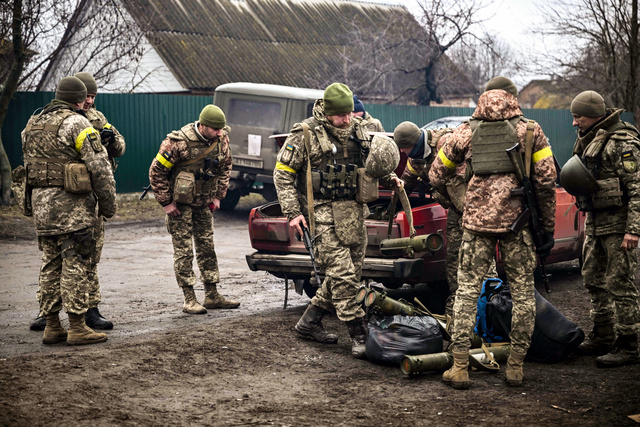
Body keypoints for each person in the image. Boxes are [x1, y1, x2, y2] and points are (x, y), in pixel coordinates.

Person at [429, 76, 557, 388]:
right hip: (519, 225)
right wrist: (547, 227)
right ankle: (515, 366)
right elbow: (546, 182)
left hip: (474, 226)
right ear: (514, 99)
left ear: (484, 98)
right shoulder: (530, 130)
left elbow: (436, 174)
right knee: (525, 294)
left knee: (466, 292)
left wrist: (462, 195)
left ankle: (459, 367)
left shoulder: (465, 131)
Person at [274, 83, 402, 358]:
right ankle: (359, 334)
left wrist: (390, 178)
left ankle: (308, 322)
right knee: (343, 276)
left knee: (348, 274)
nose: (348, 119)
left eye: (350, 114)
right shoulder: (304, 133)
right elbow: (282, 174)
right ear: (327, 112)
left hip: (354, 213)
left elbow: (371, 163)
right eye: (342, 115)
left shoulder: (357, 129)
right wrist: (293, 214)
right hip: (320, 214)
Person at [21, 76, 117, 345]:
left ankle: (52, 326)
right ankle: (77, 327)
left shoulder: (33, 122)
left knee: (50, 264)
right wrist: (108, 204)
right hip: (72, 209)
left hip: (42, 209)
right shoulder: (77, 123)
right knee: (76, 262)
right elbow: (99, 167)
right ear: (78, 98)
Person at [562, 90, 640, 368]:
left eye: (577, 116)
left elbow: (637, 188)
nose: (574, 123)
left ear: (593, 114)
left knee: (619, 282)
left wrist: (634, 230)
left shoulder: (623, 142)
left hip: (620, 226)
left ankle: (629, 343)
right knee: (592, 278)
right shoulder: (590, 140)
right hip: (596, 223)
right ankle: (604, 335)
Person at [393, 121, 500, 321]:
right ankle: (457, 314)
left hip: (475, 210)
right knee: (453, 262)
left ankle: (492, 310)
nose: (402, 151)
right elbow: (406, 182)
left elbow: (467, 179)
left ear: (414, 142)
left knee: (482, 261)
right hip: (456, 211)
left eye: (403, 147)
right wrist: (395, 200)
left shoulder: (445, 144)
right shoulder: (416, 157)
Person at [149, 104, 239, 314]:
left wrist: (218, 196)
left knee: (207, 247)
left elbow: (226, 165)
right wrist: (166, 203)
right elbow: (156, 171)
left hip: (205, 202)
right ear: (203, 125)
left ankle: (212, 294)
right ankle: (189, 298)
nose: (220, 133)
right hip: (180, 205)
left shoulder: (221, 139)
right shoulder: (178, 143)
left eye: (221, 129)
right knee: (184, 250)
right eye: (216, 129)